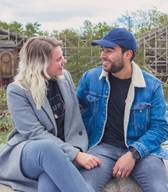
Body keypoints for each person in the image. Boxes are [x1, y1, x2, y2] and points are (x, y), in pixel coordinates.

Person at [0, 36, 101, 192]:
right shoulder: (17, 90)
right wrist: (75, 154)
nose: (64, 61)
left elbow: (77, 110)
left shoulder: (64, 77)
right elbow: (34, 133)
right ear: (41, 64)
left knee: (49, 179)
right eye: (58, 59)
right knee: (48, 149)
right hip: (31, 152)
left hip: (61, 153)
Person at [77, 28, 168, 192]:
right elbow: (73, 116)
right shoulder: (90, 78)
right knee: (82, 188)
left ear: (128, 54)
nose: (102, 55)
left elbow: (160, 129)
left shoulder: (152, 86)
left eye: (109, 51)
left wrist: (134, 154)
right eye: (102, 50)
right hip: (102, 149)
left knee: (160, 189)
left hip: (142, 152)